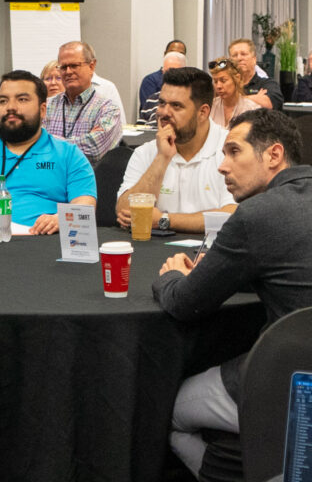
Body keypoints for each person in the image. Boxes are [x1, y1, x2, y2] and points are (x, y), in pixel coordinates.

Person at [152, 109, 312, 478]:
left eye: (234, 152)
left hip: (291, 384)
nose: (223, 167)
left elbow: (184, 303)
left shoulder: (256, 215)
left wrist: (172, 276)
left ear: (273, 155)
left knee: (169, 412)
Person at [0, 70, 96, 234]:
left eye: (22, 99)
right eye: (3, 101)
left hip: (44, 243)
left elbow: (85, 205)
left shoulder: (68, 155)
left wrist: (61, 219)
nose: (11, 107)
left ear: (42, 110)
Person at [116, 67, 235, 233]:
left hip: (208, 252)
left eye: (176, 106)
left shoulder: (231, 151)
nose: (164, 113)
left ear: (203, 112)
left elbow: (231, 216)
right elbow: (125, 210)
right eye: (162, 103)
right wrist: (162, 159)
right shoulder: (146, 152)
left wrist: (165, 220)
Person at [47, 41, 123, 165]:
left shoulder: (108, 109)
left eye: (74, 65)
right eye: (63, 67)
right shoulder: (47, 106)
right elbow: (32, 144)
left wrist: (48, 142)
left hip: (87, 181)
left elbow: (94, 149)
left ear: (91, 67)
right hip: (49, 179)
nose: (68, 71)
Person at [228, 37, 284, 110]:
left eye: (243, 54)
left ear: (254, 59)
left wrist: (234, 100)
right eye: (235, 55)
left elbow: (268, 103)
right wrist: (255, 98)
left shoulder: (268, 84)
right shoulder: (226, 84)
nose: (239, 58)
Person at [207, 57, 259, 128]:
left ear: (237, 79)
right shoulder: (210, 107)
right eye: (215, 81)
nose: (218, 86)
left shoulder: (252, 109)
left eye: (223, 81)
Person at [138, 51, 187, 125]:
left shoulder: (189, 99)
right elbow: (139, 127)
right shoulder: (152, 99)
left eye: (174, 71)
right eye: (166, 72)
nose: (170, 76)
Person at [138, 40, 188, 111]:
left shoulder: (190, 84)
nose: (176, 56)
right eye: (172, 52)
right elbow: (149, 110)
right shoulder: (150, 80)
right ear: (165, 54)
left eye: (181, 53)